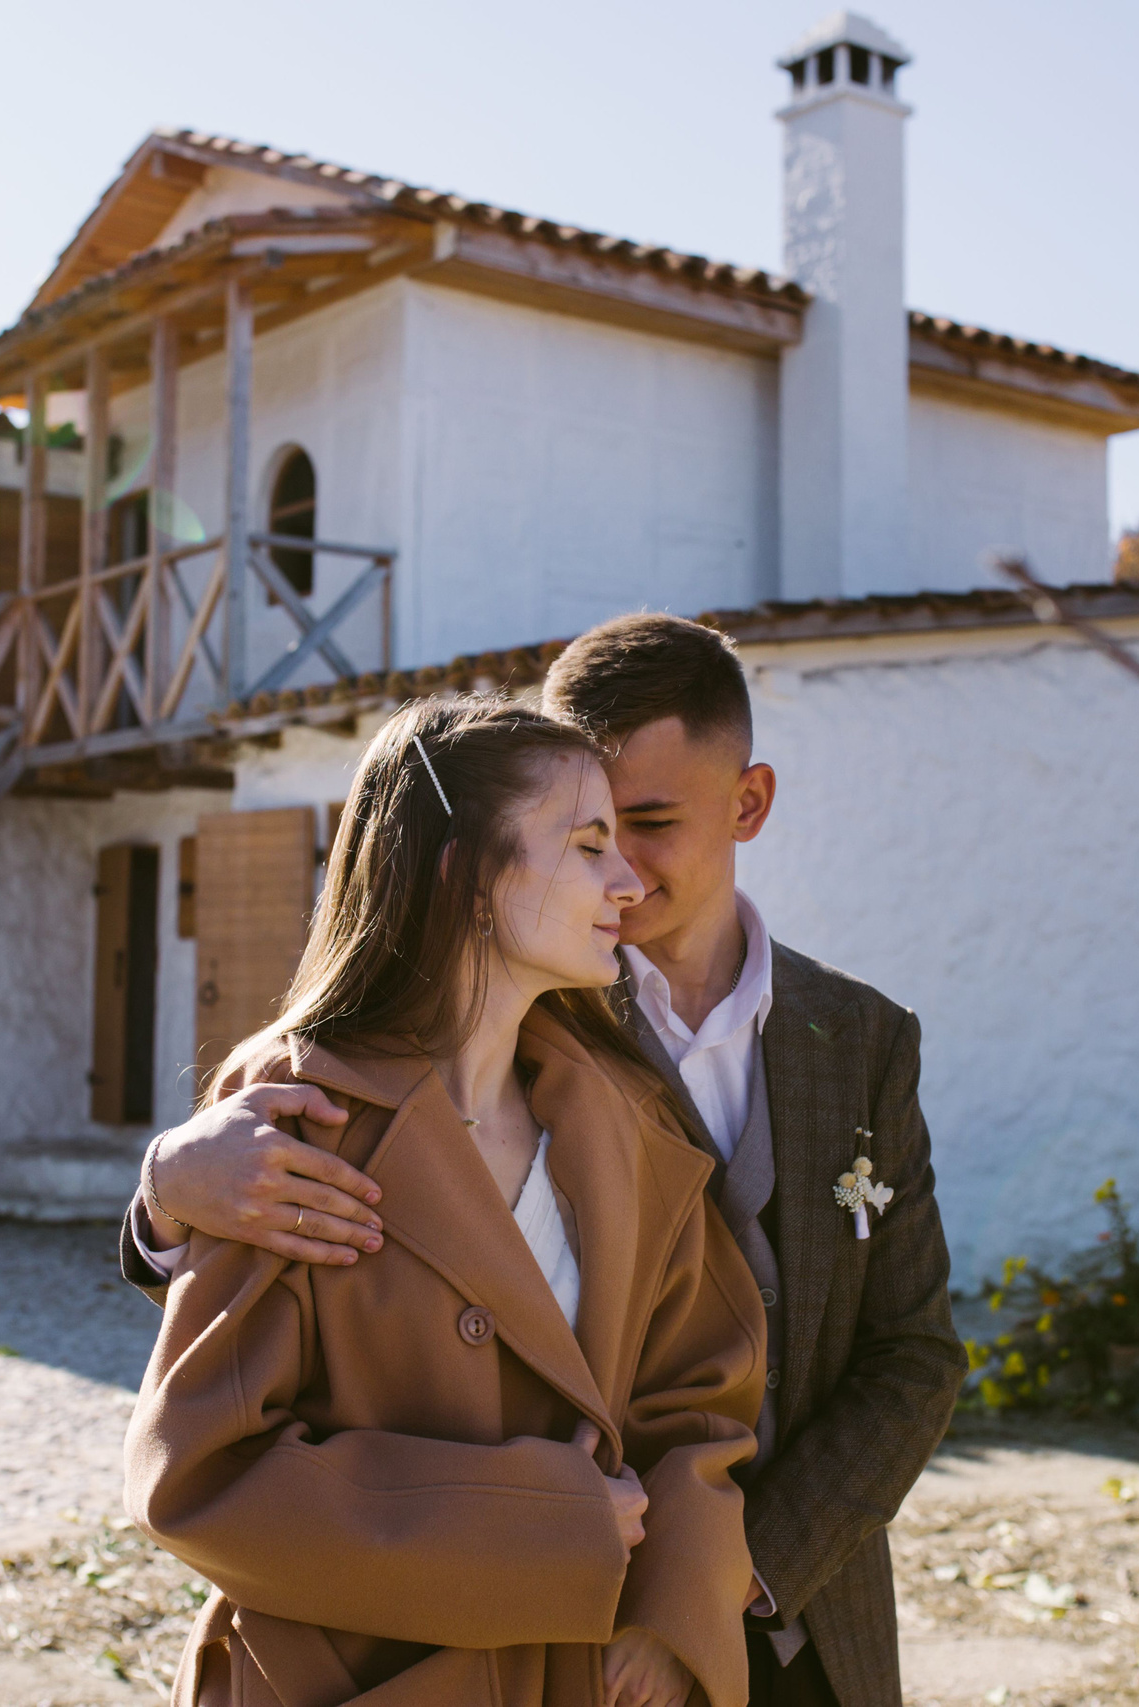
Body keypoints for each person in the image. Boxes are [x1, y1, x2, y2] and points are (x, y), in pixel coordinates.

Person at [124, 615, 964, 1707]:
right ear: (470, 872)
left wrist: (700, 1592)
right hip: (387, 1665)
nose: (624, 875)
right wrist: (160, 1197)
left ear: (746, 804)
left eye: (646, 824)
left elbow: (879, 1357)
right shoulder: (341, 1084)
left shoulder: (840, 1044)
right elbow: (205, 1441)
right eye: (593, 836)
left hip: (752, 1633)